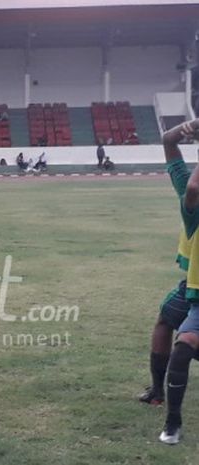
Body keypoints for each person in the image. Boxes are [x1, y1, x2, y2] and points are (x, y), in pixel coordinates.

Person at [156, 118, 199, 444]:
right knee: (167, 321)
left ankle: (160, 395)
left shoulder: (190, 188)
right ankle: (161, 397)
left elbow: (168, 142)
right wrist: (189, 127)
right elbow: (169, 141)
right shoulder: (189, 189)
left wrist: (187, 129)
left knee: (172, 328)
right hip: (194, 283)